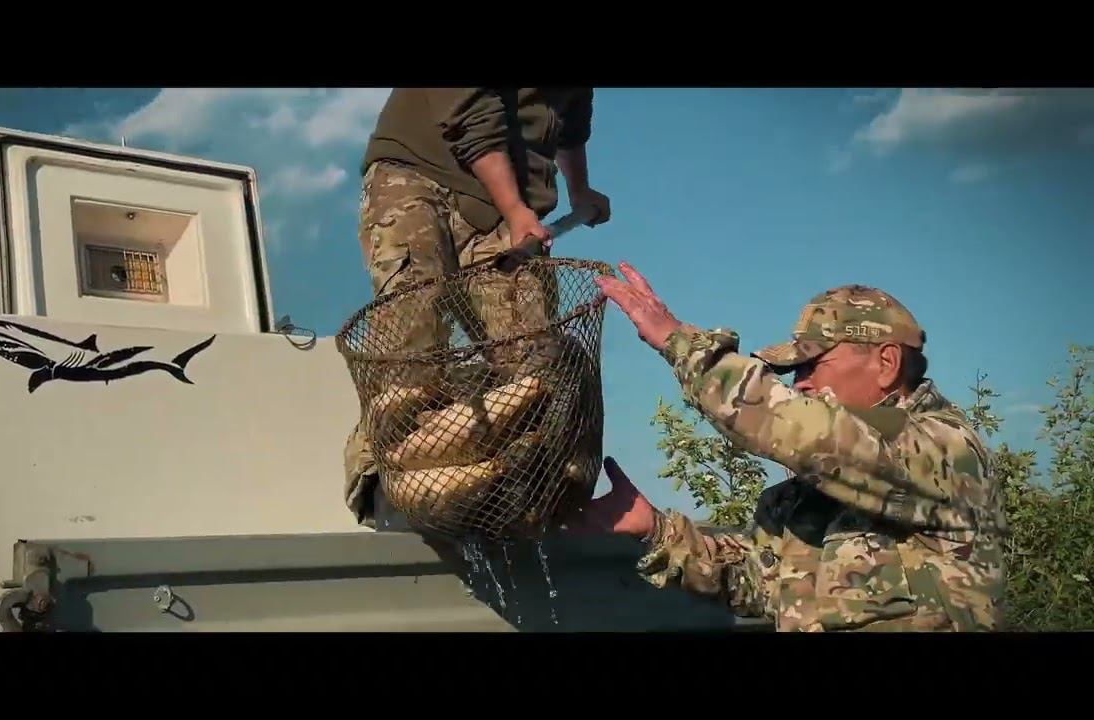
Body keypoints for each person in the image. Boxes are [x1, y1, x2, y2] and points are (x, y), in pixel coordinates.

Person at [566, 263, 1007, 632]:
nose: (801, 384)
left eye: (813, 365)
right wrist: (656, 530)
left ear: (886, 362)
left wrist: (680, 343)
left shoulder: (945, 451)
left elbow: (810, 432)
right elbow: (756, 585)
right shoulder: (801, 498)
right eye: (795, 371)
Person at [343, 88, 612, 529]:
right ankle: (383, 486)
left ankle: (525, 497)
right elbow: (469, 115)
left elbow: (570, 127)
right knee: (414, 337)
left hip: (508, 199)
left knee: (533, 359)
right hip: (419, 171)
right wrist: (515, 209)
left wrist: (580, 190)